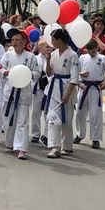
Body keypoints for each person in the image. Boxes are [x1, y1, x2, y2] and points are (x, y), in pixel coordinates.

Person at [0, 28, 40, 160]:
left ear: (24, 42)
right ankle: (9, 143)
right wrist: (6, 72)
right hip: (10, 91)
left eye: (18, 40)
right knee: (9, 119)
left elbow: (37, 73)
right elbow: (0, 68)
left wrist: (27, 73)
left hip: (24, 92)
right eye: (13, 40)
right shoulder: (7, 55)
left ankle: (21, 148)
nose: (15, 42)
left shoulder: (30, 57)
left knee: (22, 121)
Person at [43, 28, 78, 159]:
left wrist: (68, 94)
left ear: (59, 40)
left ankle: (67, 145)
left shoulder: (72, 55)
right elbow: (49, 73)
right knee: (53, 118)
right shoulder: (54, 54)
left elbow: (75, 78)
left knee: (67, 120)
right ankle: (55, 146)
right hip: (54, 87)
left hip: (66, 86)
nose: (51, 42)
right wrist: (47, 60)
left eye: (53, 40)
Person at [75, 38, 105, 149]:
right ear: (86, 49)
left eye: (93, 51)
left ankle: (95, 138)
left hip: (96, 88)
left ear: (97, 48)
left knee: (95, 114)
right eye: (89, 51)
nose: (91, 53)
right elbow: (75, 72)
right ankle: (80, 134)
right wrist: (81, 77)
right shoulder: (82, 58)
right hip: (83, 87)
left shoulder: (102, 59)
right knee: (79, 112)